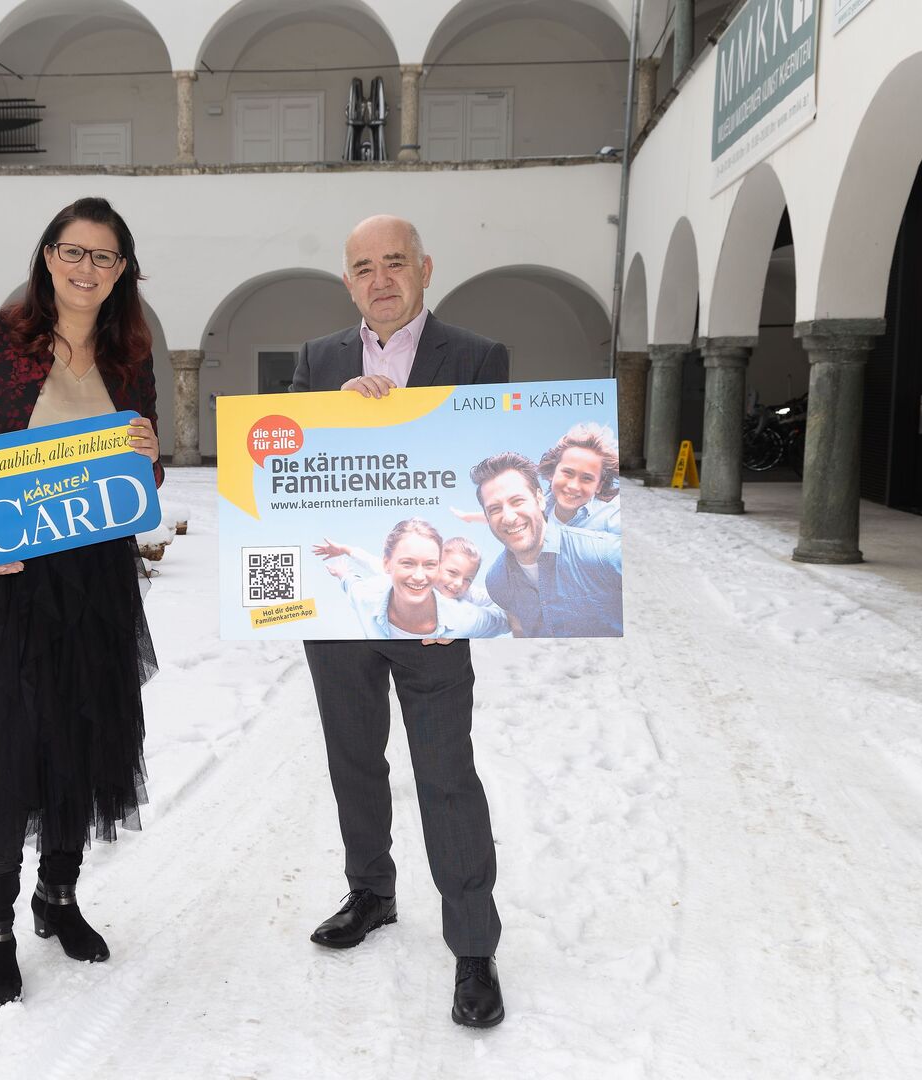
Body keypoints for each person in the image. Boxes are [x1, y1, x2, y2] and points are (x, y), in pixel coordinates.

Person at [0, 196, 163, 1009]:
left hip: (94, 579)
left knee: (82, 738)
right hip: (6, 578)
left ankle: (58, 899)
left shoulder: (129, 353)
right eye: (73, 251)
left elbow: (138, 467)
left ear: (122, 270)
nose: (86, 268)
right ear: (48, 255)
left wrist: (150, 453)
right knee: (6, 750)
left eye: (104, 256)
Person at [291, 213, 509, 1029]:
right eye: (362, 268)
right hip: (343, 608)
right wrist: (332, 413)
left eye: (394, 263)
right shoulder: (317, 362)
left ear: (424, 268)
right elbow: (280, 465)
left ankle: (474, 946)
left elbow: (494, 476)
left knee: (446, 771)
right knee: (353, 758)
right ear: (347, 281)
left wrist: (469, 595)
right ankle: (371, 893)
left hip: (433, 614)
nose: (379, 280)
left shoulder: (478, 357)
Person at [471, 451, 623, 638]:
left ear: (540, 499)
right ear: (487, 517)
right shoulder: (497, 581)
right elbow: (519, 633)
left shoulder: (602, 553)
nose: (509, 517)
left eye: (517, 501)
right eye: (494, 509)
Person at [314, 519, 507, 639]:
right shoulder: (376, 591)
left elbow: (504, 607)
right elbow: (364, 572)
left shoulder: (467, 609)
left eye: (467, 580)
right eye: (452, 573)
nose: (458, 584)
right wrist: (344, 558)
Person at [538, 422, 621, 534]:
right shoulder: (536, 510)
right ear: (551, 473)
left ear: (599, 486)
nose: (574, 486)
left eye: (587, 478)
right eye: (567, 473)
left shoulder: (611, 517)